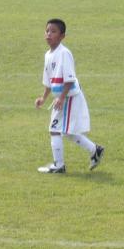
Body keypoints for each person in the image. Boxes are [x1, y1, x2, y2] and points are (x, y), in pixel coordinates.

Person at [34, 18, 104, 174]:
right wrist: (43, 98)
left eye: (53, 31)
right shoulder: (48, 55)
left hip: (70, 97)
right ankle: (95, 150)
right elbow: (49, 81)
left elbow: (69, 79)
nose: (49, 34)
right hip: (61, 99)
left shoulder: (64, 53)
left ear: (62, 36)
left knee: (55, 129)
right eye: (47, 31)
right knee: (65, 131)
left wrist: (61, 97)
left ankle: (59, 165)